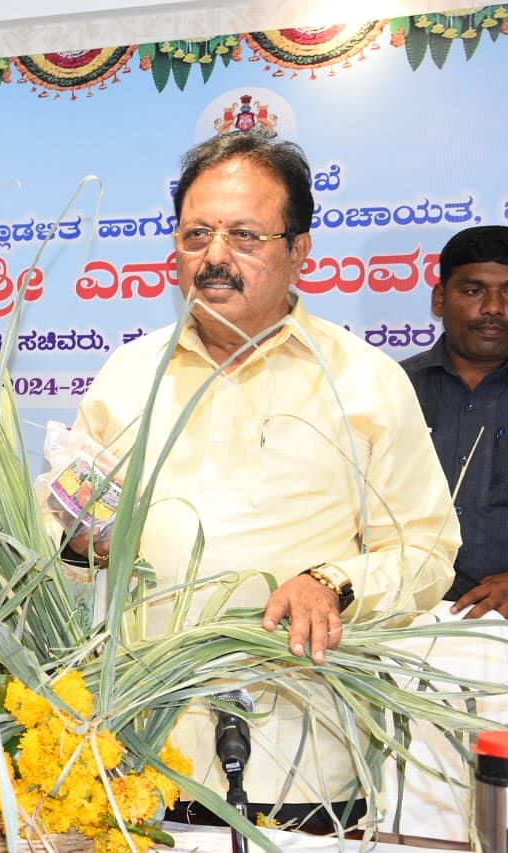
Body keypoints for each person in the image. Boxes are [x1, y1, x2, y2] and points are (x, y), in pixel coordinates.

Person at [57, 133, 457, 829]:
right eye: (196, 234)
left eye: (244, 235)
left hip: (302, 758)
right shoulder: (126, 377)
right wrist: (74, 543)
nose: (215, 256)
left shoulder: (366, 382)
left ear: (299, 250)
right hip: (135, 756)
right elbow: (64, 533)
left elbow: (427, 552)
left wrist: (333, 581)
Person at [402, 225, 508, 618]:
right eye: (474, 290)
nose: (494, 308)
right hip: (402, 621)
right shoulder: (390, 390)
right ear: (440, 298)